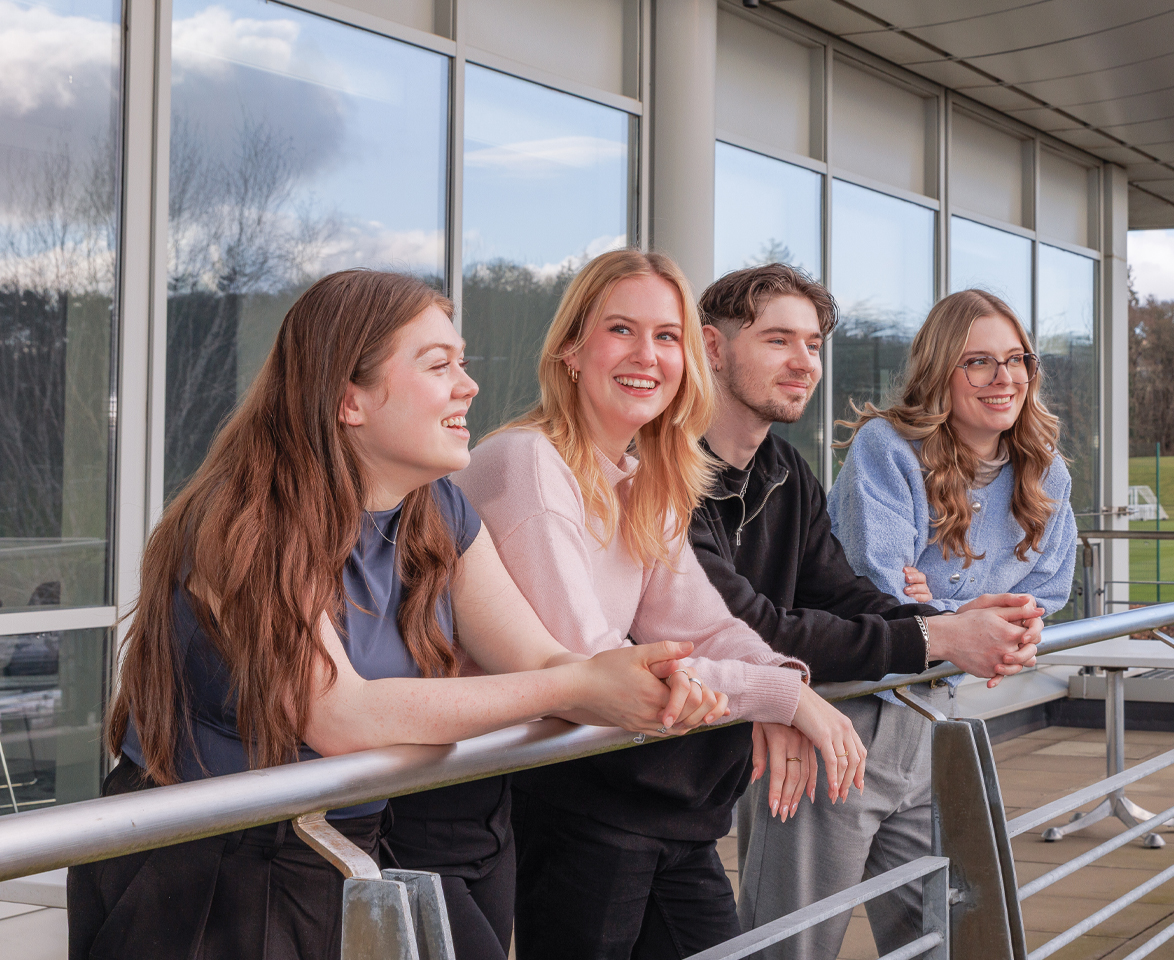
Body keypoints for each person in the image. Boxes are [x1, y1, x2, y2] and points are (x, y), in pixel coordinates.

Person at [68, 270, 716, 960]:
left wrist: (642, 678)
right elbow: (340, 715)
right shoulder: (246, 521)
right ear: (350, 399)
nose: (468, 385)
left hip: (343, 841)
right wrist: (581, 688)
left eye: (461, 363)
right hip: (201, 869)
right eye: (439, 366)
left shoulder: (440, 510)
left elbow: (540, 657)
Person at [451, 250, 868, 960]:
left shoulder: (647, 477)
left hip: (648, 796)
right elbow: (595, 665)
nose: (648, 355)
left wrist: (784, 691)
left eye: (667, 336)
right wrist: (782, 699)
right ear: (571, 350)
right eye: (622, 330)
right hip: (547, 798)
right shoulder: (526, 462)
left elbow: (702, 624)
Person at [689, 265, 1043, 956]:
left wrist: (950, 628)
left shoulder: (785, 472)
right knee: (782, 943)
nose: (803, 362)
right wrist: (939, 632)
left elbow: (841, 593)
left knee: (944, 929)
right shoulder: (667, 475)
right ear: (712, 348)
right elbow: (751, 626)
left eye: (814, 344)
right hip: (646, 778)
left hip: (833, 735)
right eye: (779, 340)